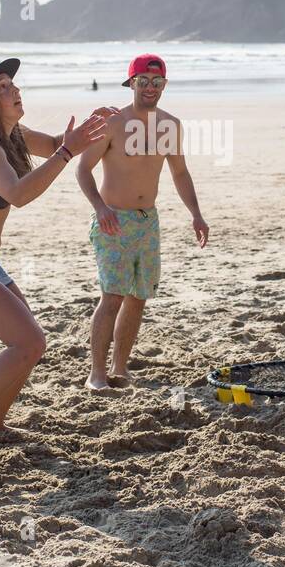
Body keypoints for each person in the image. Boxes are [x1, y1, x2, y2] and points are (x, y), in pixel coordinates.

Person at [0, 59, 112, 464]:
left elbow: (52, 145)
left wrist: (87, 129)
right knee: (28, 342)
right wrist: (68, 151)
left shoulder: (11, 137)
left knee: (29, 343)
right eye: (3, 87)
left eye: (14, 84)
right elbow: (18, 194)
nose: (15, 91)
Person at [76, 54, 209, 390]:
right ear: (131, 82)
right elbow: (82, 169)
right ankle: (96, 373)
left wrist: (195, 213)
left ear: (164, 85)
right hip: (113, 222)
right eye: (143, 81)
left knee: (138, 297)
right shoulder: (113, 123)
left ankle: (120, 369)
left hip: (148, 221)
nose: (150, 88)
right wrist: (100, 208)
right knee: (113, 295)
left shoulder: (170, 125)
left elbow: (179, 172)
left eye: (157, 82)